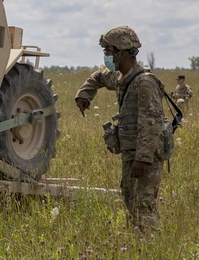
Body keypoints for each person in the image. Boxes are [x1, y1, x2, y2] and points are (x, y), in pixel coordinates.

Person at [74, 26, 173, 232]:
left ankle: (150, 249)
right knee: (130, 202)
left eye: (110, 51)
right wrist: (85, 93)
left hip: (145, 156)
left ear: (124, 52)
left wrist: (143, 158)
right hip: (130, 153)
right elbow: (100, 76)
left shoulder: (143, 83)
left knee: (144, 206)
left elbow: (151, 123)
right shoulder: (122, 77)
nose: (107, 56)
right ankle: (138, 247)